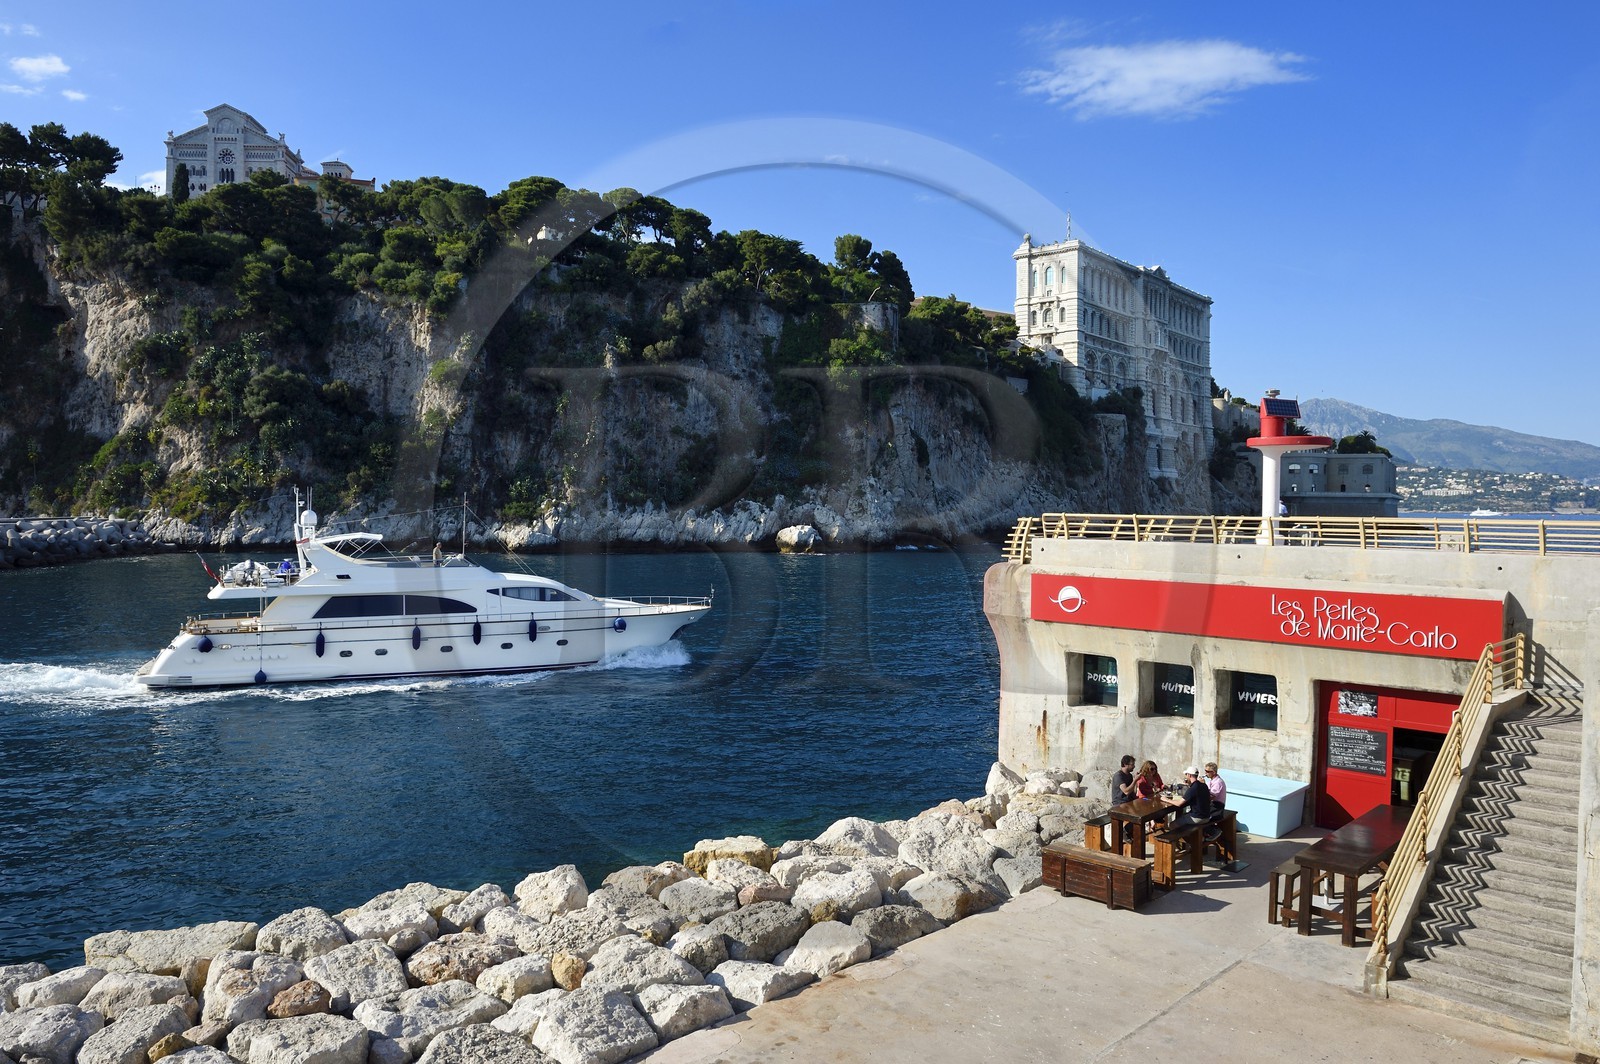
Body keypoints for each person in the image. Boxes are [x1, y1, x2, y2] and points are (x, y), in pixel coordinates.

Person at [1163, 765, 1213, 832]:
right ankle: (1182, 836)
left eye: (1186, 775)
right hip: (1207, 816)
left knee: (1172, 825)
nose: (1186, 777)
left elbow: (1179, 803)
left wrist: (1166, 799)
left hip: (1198, 818)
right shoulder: (1203, 785)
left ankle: (1175, 841)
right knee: (1183, 816)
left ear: (1189, 775)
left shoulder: (1193, 788)